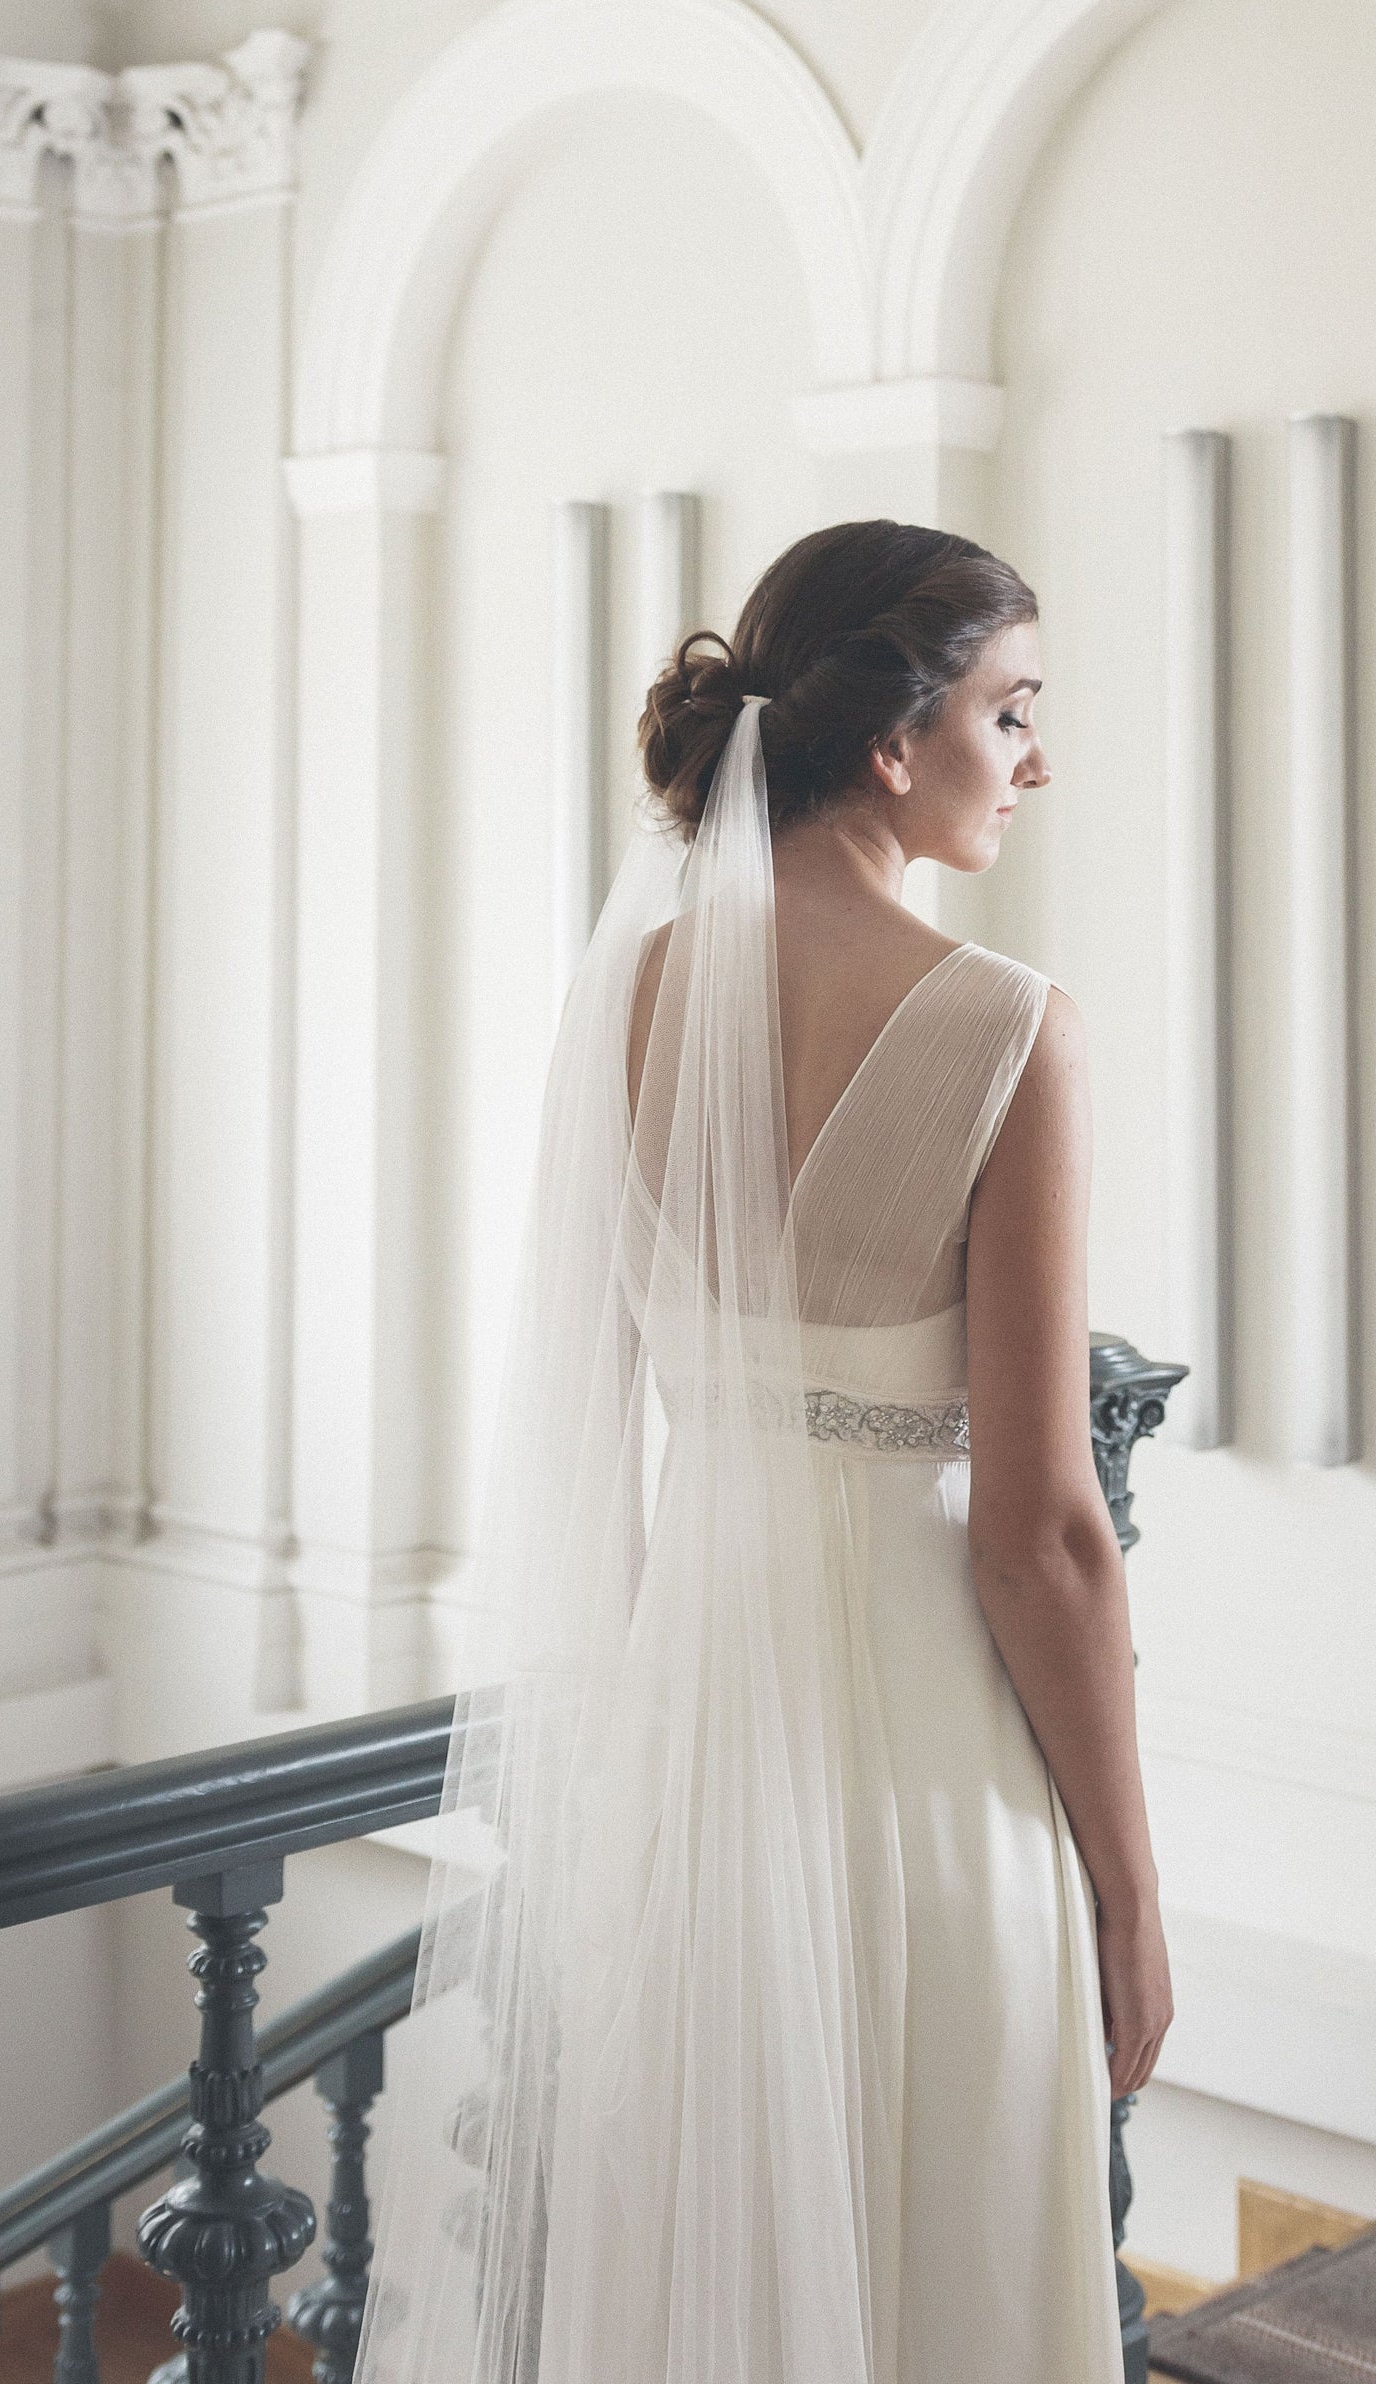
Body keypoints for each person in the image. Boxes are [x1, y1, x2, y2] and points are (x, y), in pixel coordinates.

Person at [347, 519, 1171, 2384]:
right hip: (922, 1782)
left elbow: (610, 1423)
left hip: (688, 1761)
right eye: (1011, 712)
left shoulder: (625, 998)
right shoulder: (1008, 1032)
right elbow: (1041, 1534)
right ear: (894, 742)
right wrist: (1126, 1886)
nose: (1035, 762)